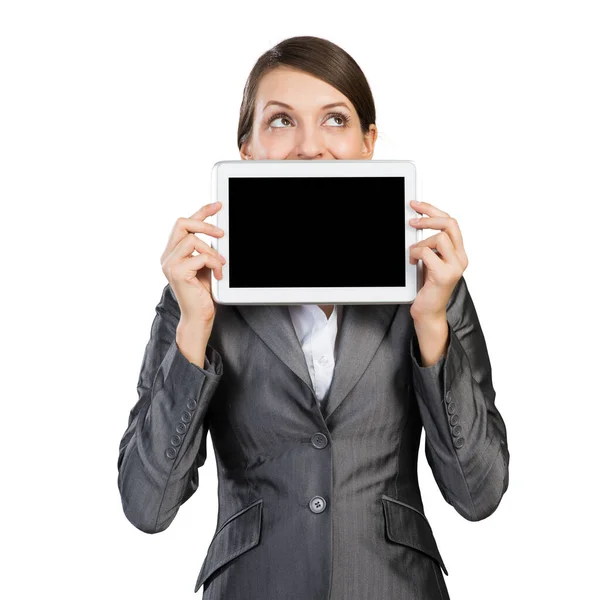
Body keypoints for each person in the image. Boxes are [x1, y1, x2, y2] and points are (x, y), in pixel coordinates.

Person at [117, 35, 510, 600]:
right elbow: (146, 506)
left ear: (368, 142)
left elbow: (480, 494)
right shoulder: (199, 291)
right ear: (246, 149)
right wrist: (194, 330)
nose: (310, 147)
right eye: (280, 122)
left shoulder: (431, 284)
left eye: (334, 119)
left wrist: (431, 327)